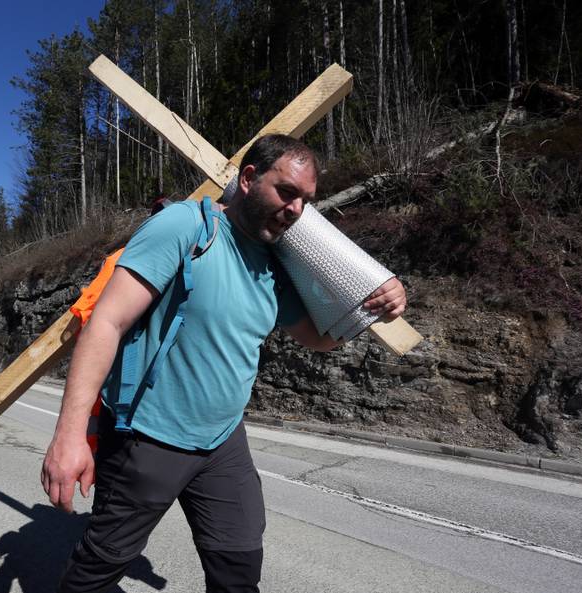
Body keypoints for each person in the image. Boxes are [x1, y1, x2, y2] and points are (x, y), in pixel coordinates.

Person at [41, 134, 407, 592]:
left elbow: (318, 339)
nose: (296, 209)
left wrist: (377, 304)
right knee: (97, 571)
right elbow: (107, 324)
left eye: (306, 201)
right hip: (148, 436)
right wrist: (70, 436)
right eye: (286, 191)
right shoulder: (186, 227)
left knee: (238, 572)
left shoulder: (274, 265)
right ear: (249, 179)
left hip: (222, 442)